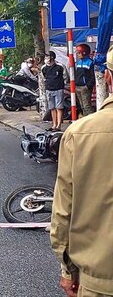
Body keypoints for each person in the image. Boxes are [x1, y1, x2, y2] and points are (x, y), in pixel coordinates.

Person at [50, 46, 113, 297]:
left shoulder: (80, 133)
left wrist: (67, 269)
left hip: (98, 279)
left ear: (107, 77)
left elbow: (64, 209)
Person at [41, 51, 66, 132]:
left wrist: (61, 84)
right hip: (49, 89)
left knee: (59, 107)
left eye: (47, 57)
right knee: (52, 108)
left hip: (58, 89)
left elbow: (65, 77)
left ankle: (58, 125)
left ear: (52, 57)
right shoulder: (44, 68)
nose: (45, 59)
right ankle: (54, 124)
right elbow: (44, 77)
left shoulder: (60, 66)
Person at [74, 44, 95, 117]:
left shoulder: (90, 62)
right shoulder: (79, 62)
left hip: (85, 87)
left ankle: (93, 120)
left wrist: (88, 86)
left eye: (79, 53)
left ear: (84, 53)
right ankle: (86, 121)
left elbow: (93, 76)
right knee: (82, 106)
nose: (78, 55)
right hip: (78, 87)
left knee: (87, 106)